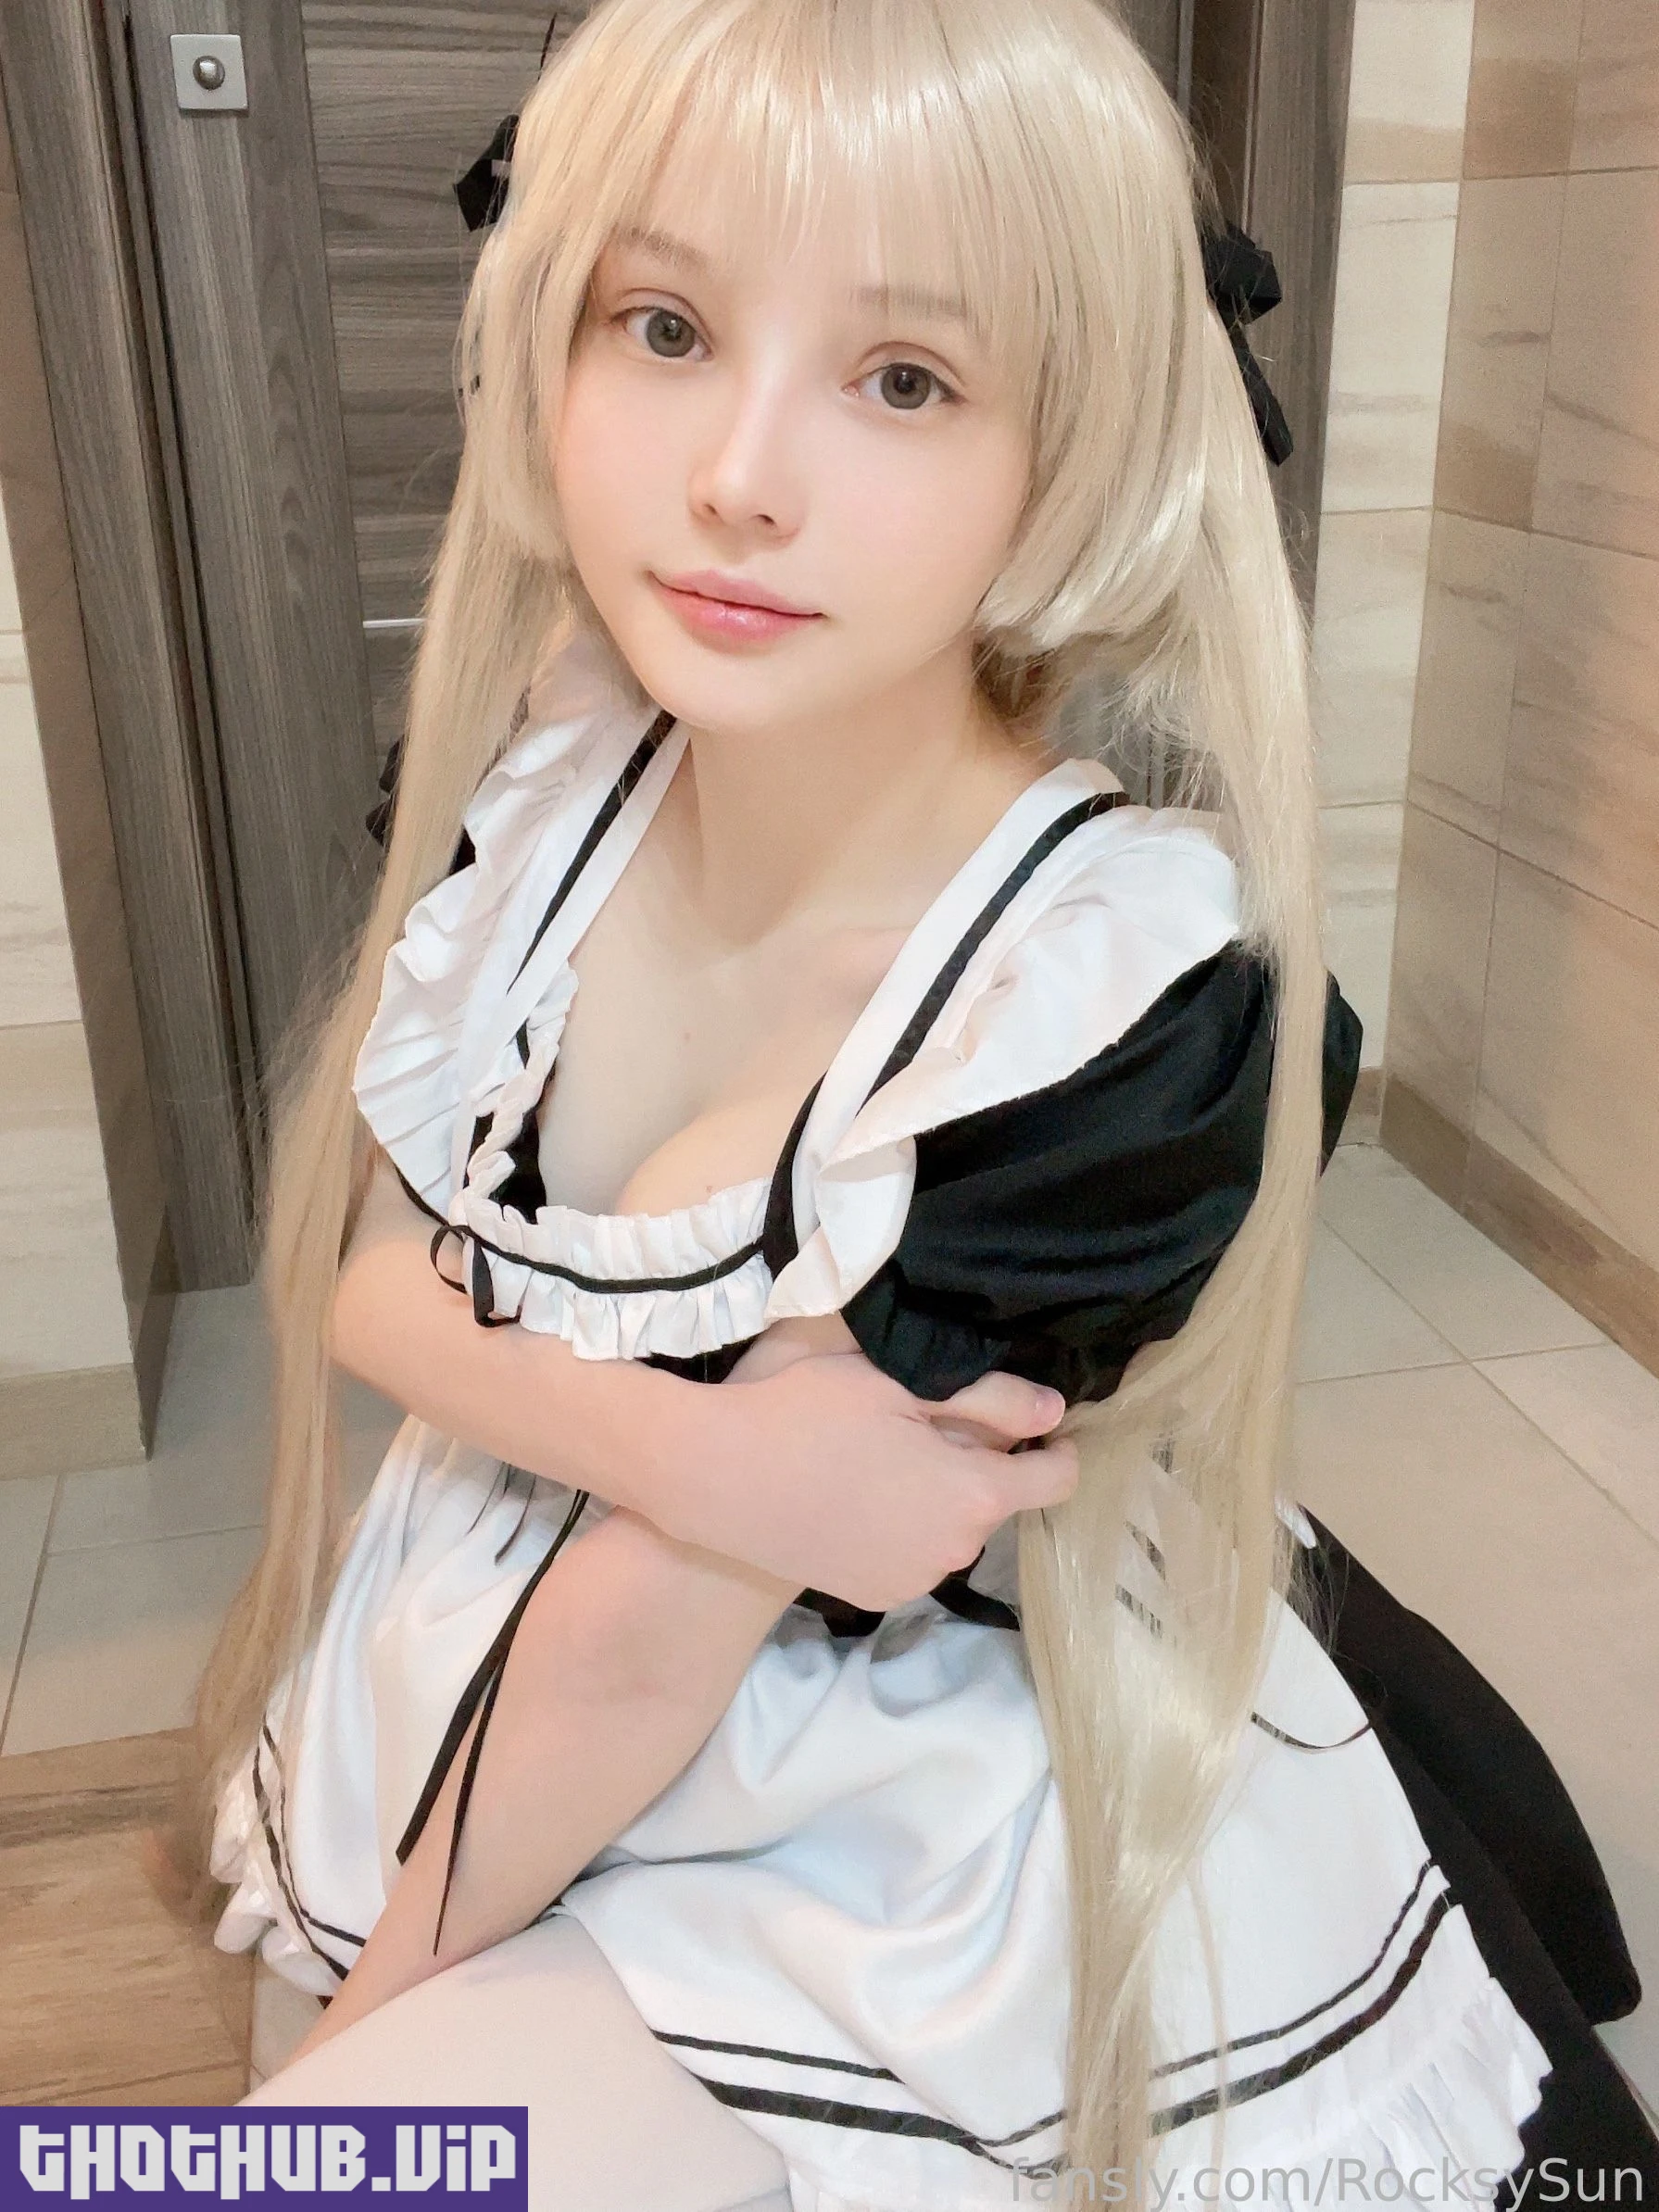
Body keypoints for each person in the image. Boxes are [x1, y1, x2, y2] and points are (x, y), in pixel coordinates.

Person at [194, 0, 1655, 2203]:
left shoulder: (1104, 1011)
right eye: (664, 326)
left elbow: (654, 1624)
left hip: (889, 1799)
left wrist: (359, 2045)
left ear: (1069, 445)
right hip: (508, 1657)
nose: (737, 474)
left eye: (901, 379)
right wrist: (698, 1449)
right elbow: (367, 1273)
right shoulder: (568, 763)